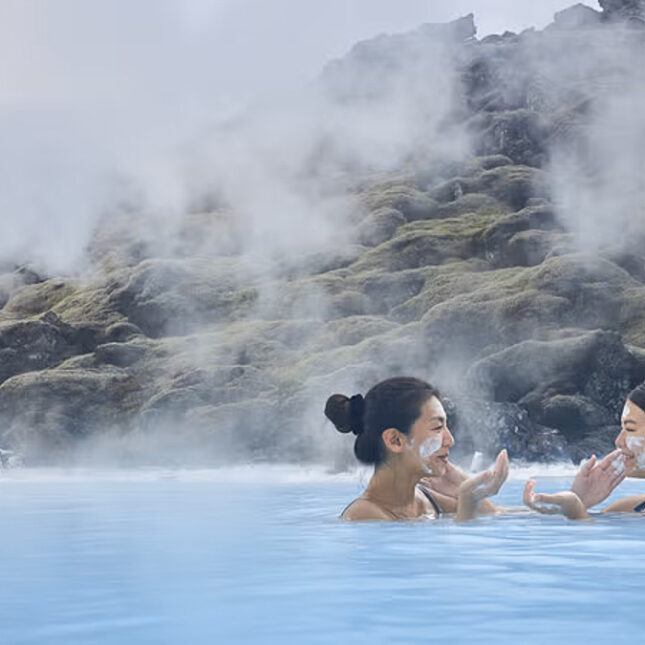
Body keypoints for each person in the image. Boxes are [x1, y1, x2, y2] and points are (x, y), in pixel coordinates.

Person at [325, 376, 509, 521]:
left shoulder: (425, 498)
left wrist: (464, 486)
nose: (450, 440)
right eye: (438, 428)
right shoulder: (364, 515)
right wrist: (466, 504)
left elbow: (498, 516)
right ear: (395, 440)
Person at [524, 382, 645, 519]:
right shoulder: (631, 508)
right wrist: (581, 500)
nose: (618, 441)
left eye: (630, 429)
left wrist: (576, 511)